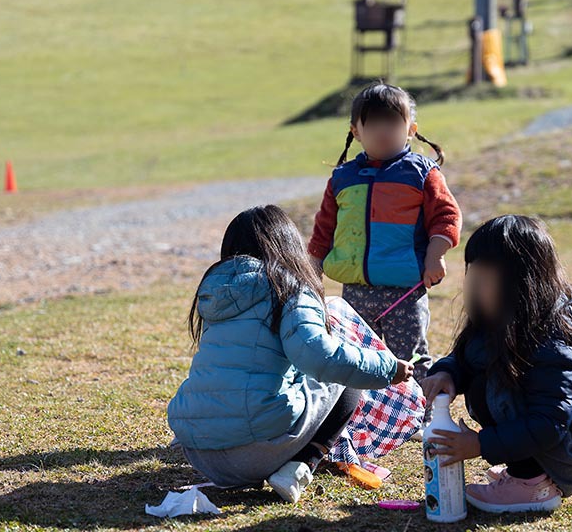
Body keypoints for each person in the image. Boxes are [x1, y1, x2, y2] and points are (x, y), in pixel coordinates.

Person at [167, 205, 413, 504]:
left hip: (200, 453)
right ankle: (302, 465)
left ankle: (292, 456)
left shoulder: (215, 292)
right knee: (344, 376)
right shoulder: (288, 286)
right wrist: (388, 368)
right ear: (289, 245)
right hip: (252, 453)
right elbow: (322, 357)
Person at [421, 215, 572, 513]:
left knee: (494, 388)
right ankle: (528, 472)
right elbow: (470, 357)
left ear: (521, 282)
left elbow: (549, 423)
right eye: (474, 275)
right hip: (554, 445)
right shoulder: (503, 320)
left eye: (486, 279)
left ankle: (533, 485)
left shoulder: (552, 339)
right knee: (488, 380)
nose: (475, 287)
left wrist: (481, 444)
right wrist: (448, 372)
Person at [308, 83, 462, 383]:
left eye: (392, 122)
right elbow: (324, 228)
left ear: (410, 129)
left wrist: (435, 255)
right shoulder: (342, 178)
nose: (383, 131)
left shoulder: (422, 174)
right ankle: (361, 421)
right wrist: (311, 270)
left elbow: (447, 215)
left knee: (409, 357)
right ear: (356, 131)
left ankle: (418, 418)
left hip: (404, 290)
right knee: (357, 359)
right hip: (355, 291)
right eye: (374, 123)